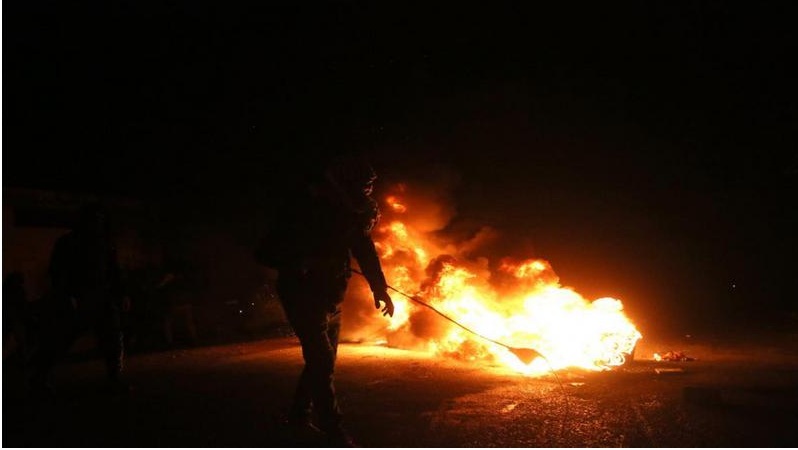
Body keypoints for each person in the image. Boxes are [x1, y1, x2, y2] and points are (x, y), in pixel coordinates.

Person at [255, 153, 394, 447]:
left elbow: (364, 249)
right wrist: (301, 261)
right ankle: (334, 431)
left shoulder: (350, 214)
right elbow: (265, 252)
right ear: (345, 182)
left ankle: (298, 416)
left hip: (332, 296)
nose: (368, 188)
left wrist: (379, 288)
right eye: (363, 182)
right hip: (302, 294)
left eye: (370, 184)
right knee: (321, 362)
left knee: (322, 362)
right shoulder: (304, 209)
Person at [27, 202, 131, 395]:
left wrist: (122, 293)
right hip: (79, 297)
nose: (97, 223)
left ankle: (114, 377)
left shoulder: (106, 244)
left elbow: (114, 271)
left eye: (100, 219)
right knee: (61, 339)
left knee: (112, 337)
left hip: (102, 296)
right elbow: (57, 271)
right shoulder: (69, 242)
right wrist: (67, 296)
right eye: (94, 219)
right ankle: (39, 376)